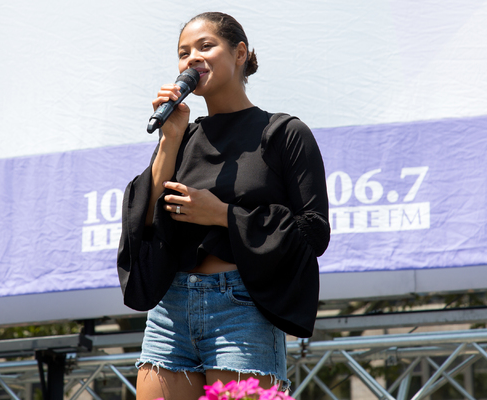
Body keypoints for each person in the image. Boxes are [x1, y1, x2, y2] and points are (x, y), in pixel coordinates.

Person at [117, 11, 330, 400]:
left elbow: (312, 231)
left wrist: (222, 215)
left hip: (241, 307)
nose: (192, 59)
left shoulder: (283, 133)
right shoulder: (181, 135)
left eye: (205, 46)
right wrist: (169, 139)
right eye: (183, 53)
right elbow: (145, 223)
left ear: (239, 53)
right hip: (171, 307)